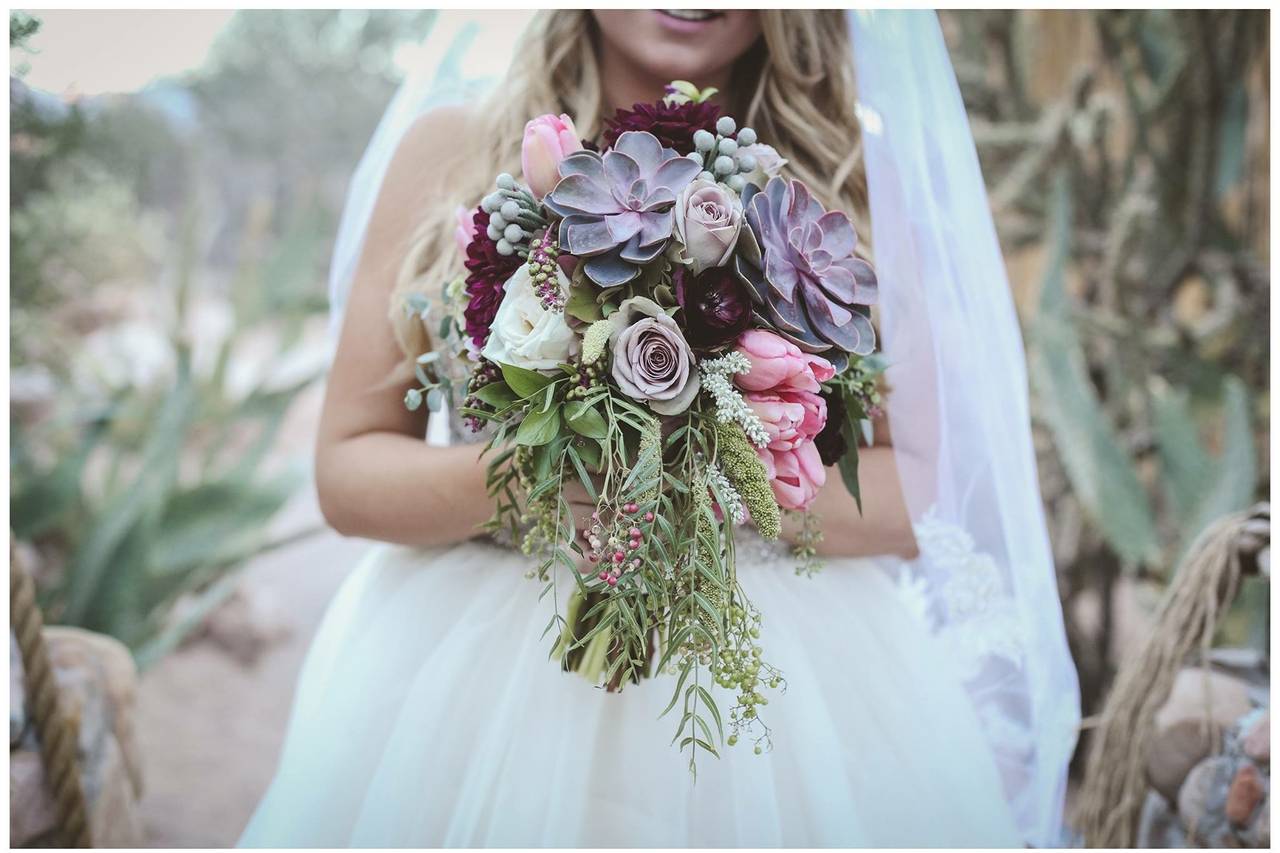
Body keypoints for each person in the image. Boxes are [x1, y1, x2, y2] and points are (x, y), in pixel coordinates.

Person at [240, 10, 1078, 847]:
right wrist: (539, 481)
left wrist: (709, 476)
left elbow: (923, 487)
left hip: (783, 697)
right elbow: (348, 473)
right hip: (469, 680)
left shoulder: (852, 174)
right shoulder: (454, 152)